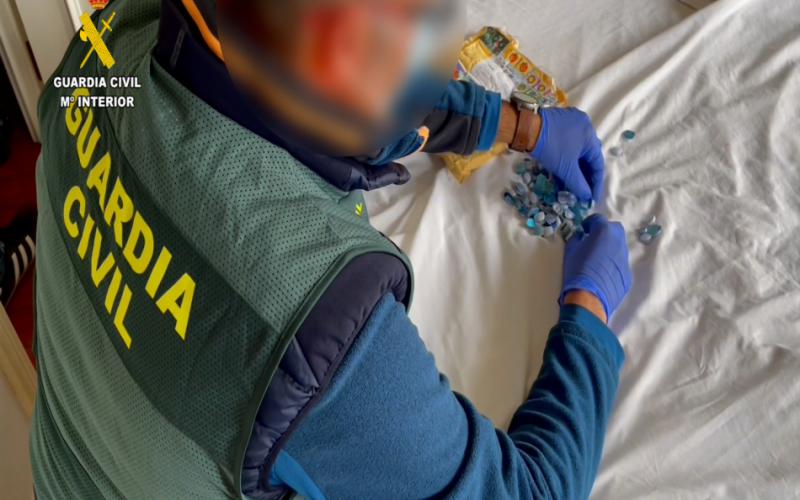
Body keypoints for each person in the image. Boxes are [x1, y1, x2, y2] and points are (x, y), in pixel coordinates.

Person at [30, 0, 632, 498]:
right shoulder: (318, 334)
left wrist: (516, 124)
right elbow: (528, 491)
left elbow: (318, 87)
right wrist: (590, 310)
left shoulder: (107, 47)